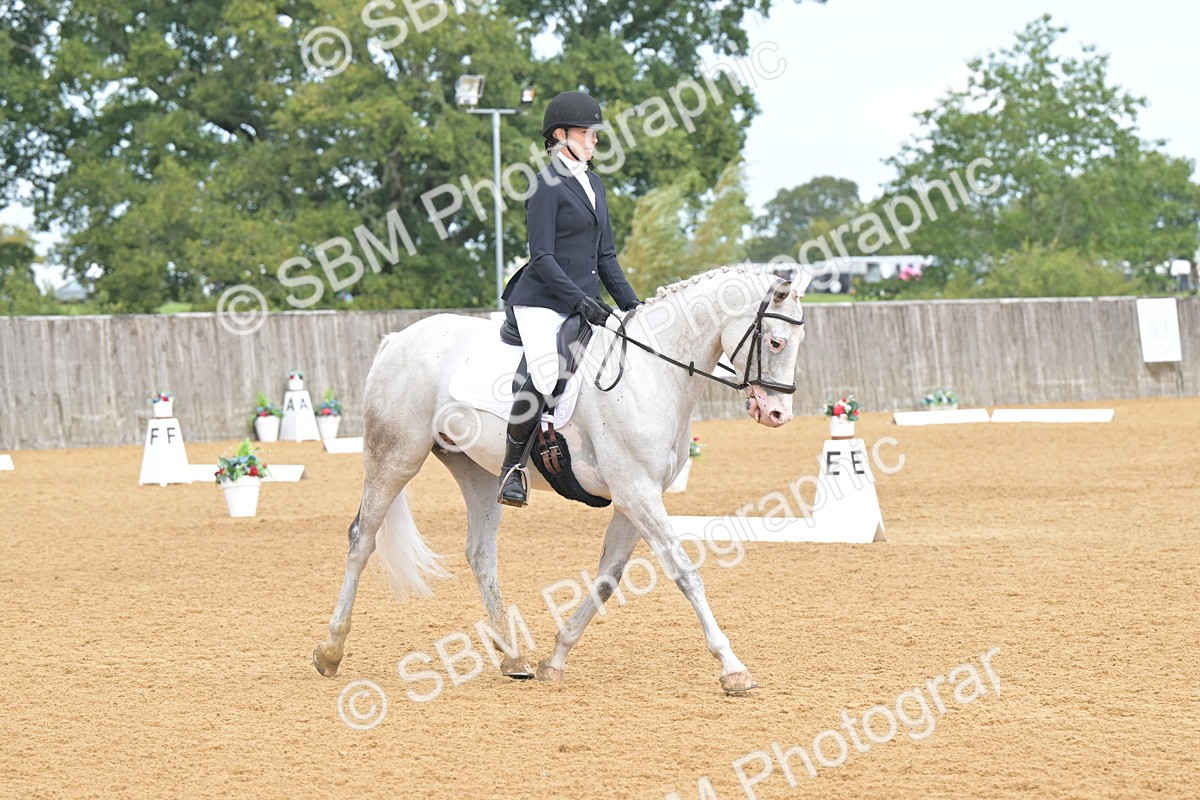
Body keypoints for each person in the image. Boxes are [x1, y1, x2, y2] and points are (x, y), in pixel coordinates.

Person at [497, 91, 641, 507]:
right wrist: (580, 300)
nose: (595, 139)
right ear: (561, 135)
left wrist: (634, 307)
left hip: (582, 301)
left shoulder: (593, 182)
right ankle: (512, 469)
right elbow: (541, 256)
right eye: (587, 132)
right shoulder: (545, 184)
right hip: (542, 299)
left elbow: (606, 255)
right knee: (545, 373)